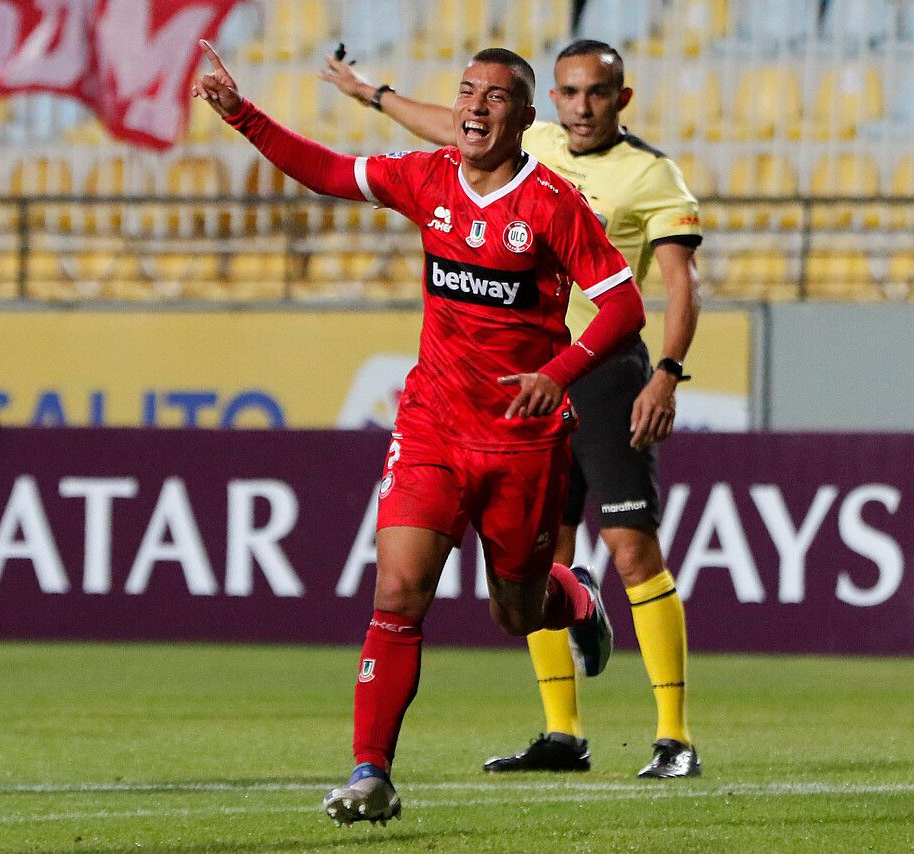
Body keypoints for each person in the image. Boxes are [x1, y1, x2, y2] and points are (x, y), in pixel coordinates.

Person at [195, 42, 646, 824]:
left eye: (496, 98)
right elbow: (332, 172)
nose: (475, 108)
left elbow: (623, 307)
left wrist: (558, 373)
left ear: (525, 118)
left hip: (522, 442)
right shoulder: (426, 177)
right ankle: (371, 774)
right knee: (398, 594)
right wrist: (242, 115)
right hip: (432, 425)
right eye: (467, 92)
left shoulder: (552, 205)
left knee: (514, 612)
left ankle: (571, 596)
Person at [320, 39, 703, 778]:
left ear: (620, 99)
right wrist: (372, 93)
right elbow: (446, 124)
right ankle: (562, 731)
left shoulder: (650, 174)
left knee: (629, 546)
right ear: (547, 104)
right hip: (513, 380)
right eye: (568, 92)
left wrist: (668, 371)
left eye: (595, 93)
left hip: (601, 367)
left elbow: (677, 286)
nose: (580, 105)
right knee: (533, 576)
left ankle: (673, 736)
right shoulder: (529, 141)